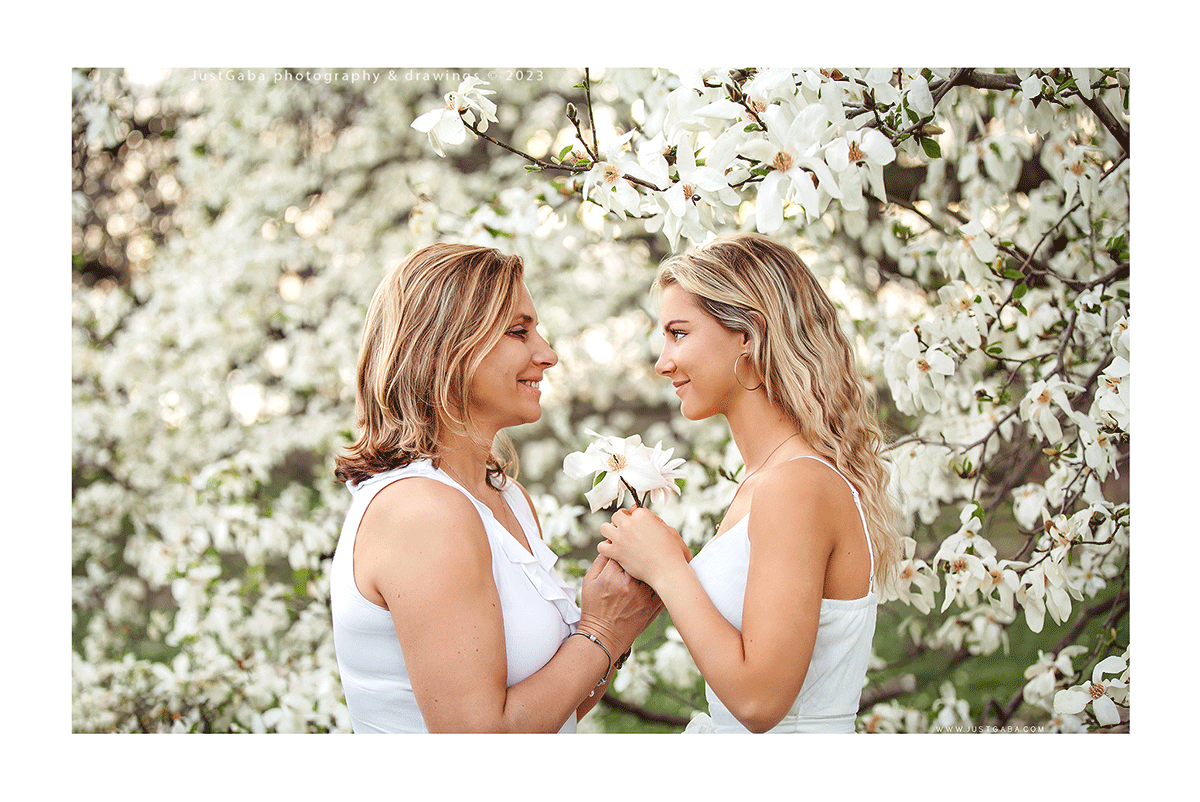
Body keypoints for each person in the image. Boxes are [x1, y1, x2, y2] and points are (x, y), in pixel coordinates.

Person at [331, 243, 661, 733]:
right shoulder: (420, 512)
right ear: (442, 352)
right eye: (518, 331)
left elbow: (554, 715)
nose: (547, 354)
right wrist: (602, 630)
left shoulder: (507, 499)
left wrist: (619, 616)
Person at [598, 232, 902, 733]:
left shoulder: (795, 486)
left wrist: (668, 569)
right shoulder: (767, 481)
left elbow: (760, 700)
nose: (662, 362)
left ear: (748, 334)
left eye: (679, 333)